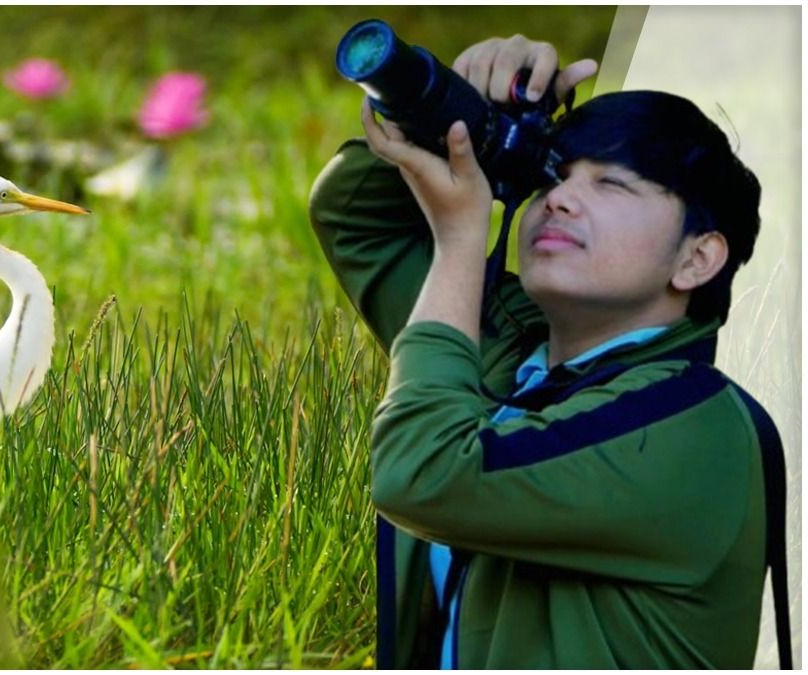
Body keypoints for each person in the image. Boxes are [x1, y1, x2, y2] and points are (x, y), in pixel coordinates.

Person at [308, 34, 788, 668]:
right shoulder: (517, 362)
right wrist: (465, 117)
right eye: (555, 176)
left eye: (612, 185)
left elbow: (422, 475)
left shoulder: (694, 430)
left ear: (697, 257)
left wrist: (459, 242)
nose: (559, 197)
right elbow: (357, 218)